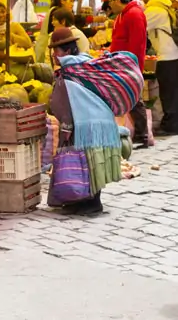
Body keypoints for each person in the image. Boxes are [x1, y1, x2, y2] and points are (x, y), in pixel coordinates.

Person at [48, 28, 122, 215]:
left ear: (69, 50)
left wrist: (66, 124)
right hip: (96, 119)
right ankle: (84, 200)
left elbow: (66, 101)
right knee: (90, 160)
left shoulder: (71, 70)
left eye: (57, 51)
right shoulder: (86, 64)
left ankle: (92, 202)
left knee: (88, 161)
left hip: (87, 121)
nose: (55, 55)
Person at [104, 0, 149, 148]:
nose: (109, 6)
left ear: (116, 0)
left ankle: (143, 136)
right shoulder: (123, 14)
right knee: (132, 99)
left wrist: (131, 65)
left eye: (109, 2)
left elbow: (137, 44)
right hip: (121, 64)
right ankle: (140, 134)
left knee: (135, 99)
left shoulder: (134, 14)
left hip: (129, 65)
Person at [140, 0, 178, 135]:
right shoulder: (166, 5)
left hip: (168, 56)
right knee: (173, 92)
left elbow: (139, 25)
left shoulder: (155, 10)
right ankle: (172, 124)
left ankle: (171, 126)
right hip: (173, 54)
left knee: (168, 93)